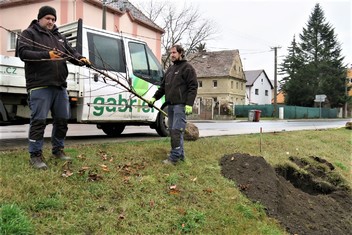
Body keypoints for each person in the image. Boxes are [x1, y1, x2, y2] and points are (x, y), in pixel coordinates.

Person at [17, 6, 90, 170]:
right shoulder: (29, 34)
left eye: (53, 19)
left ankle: (58, 150)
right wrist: (46, 55)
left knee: (63, 119)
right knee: (39, 121)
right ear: (40, 18)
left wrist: (82, 59)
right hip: (39, 85)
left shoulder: (60, 37)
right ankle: (35, 155)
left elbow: (72, 54)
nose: (51, 21)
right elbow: (23, 53)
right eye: (48, 18)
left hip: (60, 86)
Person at [150, 44, 198, 165]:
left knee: (176, 130)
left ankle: (174, 158)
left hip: (180, 105)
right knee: (173, 130)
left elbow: (193, 87)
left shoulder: (187, 68)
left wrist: (189, 104)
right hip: (170, 105)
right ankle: (180, 154)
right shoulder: (170, 70)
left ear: (181, 53)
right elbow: (163, 87)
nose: (171, 55)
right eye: (171, 53)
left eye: (174, 53)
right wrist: (154, 98)